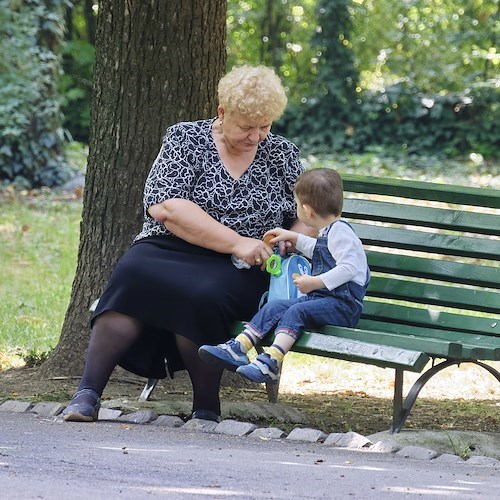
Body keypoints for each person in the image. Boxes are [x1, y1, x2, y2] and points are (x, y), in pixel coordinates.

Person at [62, 65, 309, 424]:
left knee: (203, 293)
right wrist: (235, 241)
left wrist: (293, 236)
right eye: (246, 126)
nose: (256, 136)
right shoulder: (185, 139)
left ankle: (206, 406)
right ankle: (87, 393)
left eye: (265, 126)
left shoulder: (282, 154)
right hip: (170, 247)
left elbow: (305, 212)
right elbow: (166, 207)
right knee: (134, 272)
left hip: (242, 266)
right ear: (222, 113)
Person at [198, 168, 370, 383]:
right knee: (274, 307)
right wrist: (293, 237)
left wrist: (315, 282)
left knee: (297, 310)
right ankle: (238, 347)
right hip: (324, 301)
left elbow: (349, 268)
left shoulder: (341, 232)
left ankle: (271, 362)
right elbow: (318, 249)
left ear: (307, 211)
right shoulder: (330, 231)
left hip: (343, 307)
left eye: (296, 204)